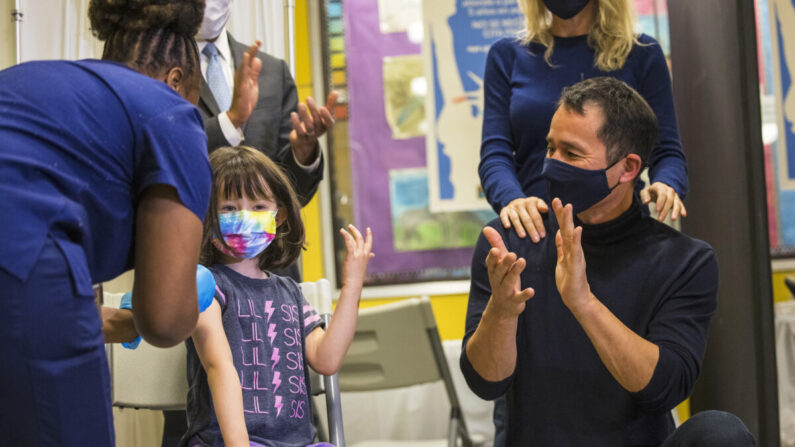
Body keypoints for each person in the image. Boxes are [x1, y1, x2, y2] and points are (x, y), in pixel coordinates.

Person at [461, 77, 755, 446]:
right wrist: (501, 314)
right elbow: (485, 383)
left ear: (628, 167)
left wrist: (583, 303)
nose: (550, 165)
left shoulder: (683, 261)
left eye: (571, 153)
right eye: (550, 149)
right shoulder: (511, 242)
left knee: (720, 434)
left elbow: (665, 388)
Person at [0, 0, 212, 445]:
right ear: (176, 81)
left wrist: (110, 317)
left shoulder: (39, 82)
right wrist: (191, 295)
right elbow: (166, 321)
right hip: (20, 250)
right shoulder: (169, 111)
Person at [180, 145, 373, 447]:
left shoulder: (290, 293)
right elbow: (218, 365)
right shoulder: (206, 286)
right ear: (207, 216)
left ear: (279, 216)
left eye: (258, 207)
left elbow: (327, 358)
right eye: (229, 208)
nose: (244, 216)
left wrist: (351, 287)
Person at [480, 0, 688, 245]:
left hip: (620, 234)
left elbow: (666, 149)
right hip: (535, 231)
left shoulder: (641, 53)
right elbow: (495, 152)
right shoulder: (507, 55)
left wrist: (666, 183)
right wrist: (512, 200)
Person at [196, 0, 336, 208]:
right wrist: (230, 121)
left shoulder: (272, 71)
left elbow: (293, 196)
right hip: (192, 234)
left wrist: (302, 153)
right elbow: (166, 155)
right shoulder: (163, 70)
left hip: (263, 237)